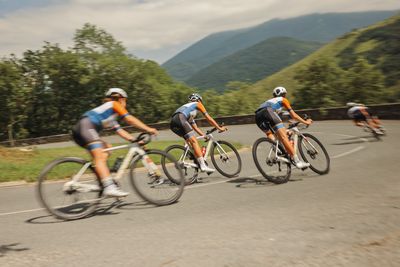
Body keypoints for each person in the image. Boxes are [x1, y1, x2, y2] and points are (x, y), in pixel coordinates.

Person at [71, 88, 158, 197]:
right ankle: (109, 186)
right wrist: (148, 129)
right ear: (121, 99)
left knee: (107, 148)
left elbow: (121, 132)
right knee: (99, 156)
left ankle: (103, 179)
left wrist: (135, 141)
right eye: (125, 100)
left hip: (82, 129)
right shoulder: (114, 104)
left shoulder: (110, 117)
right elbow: (130, 119)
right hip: (86, 127)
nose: (125, 103)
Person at [255, 86, 312, 169]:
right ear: (284, 94)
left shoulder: (271, 102)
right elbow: (293, 115)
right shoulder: (283, 100)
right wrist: (305, 122)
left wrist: (290, 124)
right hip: (268, 112)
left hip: (257, 116)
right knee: (284, 137)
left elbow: (282, 117)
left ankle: (277, 149)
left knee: (270, 133)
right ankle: (297, 161)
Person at [170, 93, 227, 173]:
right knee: (194, 141)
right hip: (180, 119)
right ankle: (203, 166)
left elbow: (195, 128)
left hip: (173, 123)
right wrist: (219, 128)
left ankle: (194, 160)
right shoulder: (198, 104)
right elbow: (209, 118)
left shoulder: (189, 111)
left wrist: (203, 136)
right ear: (199, 100)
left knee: (190, 142)